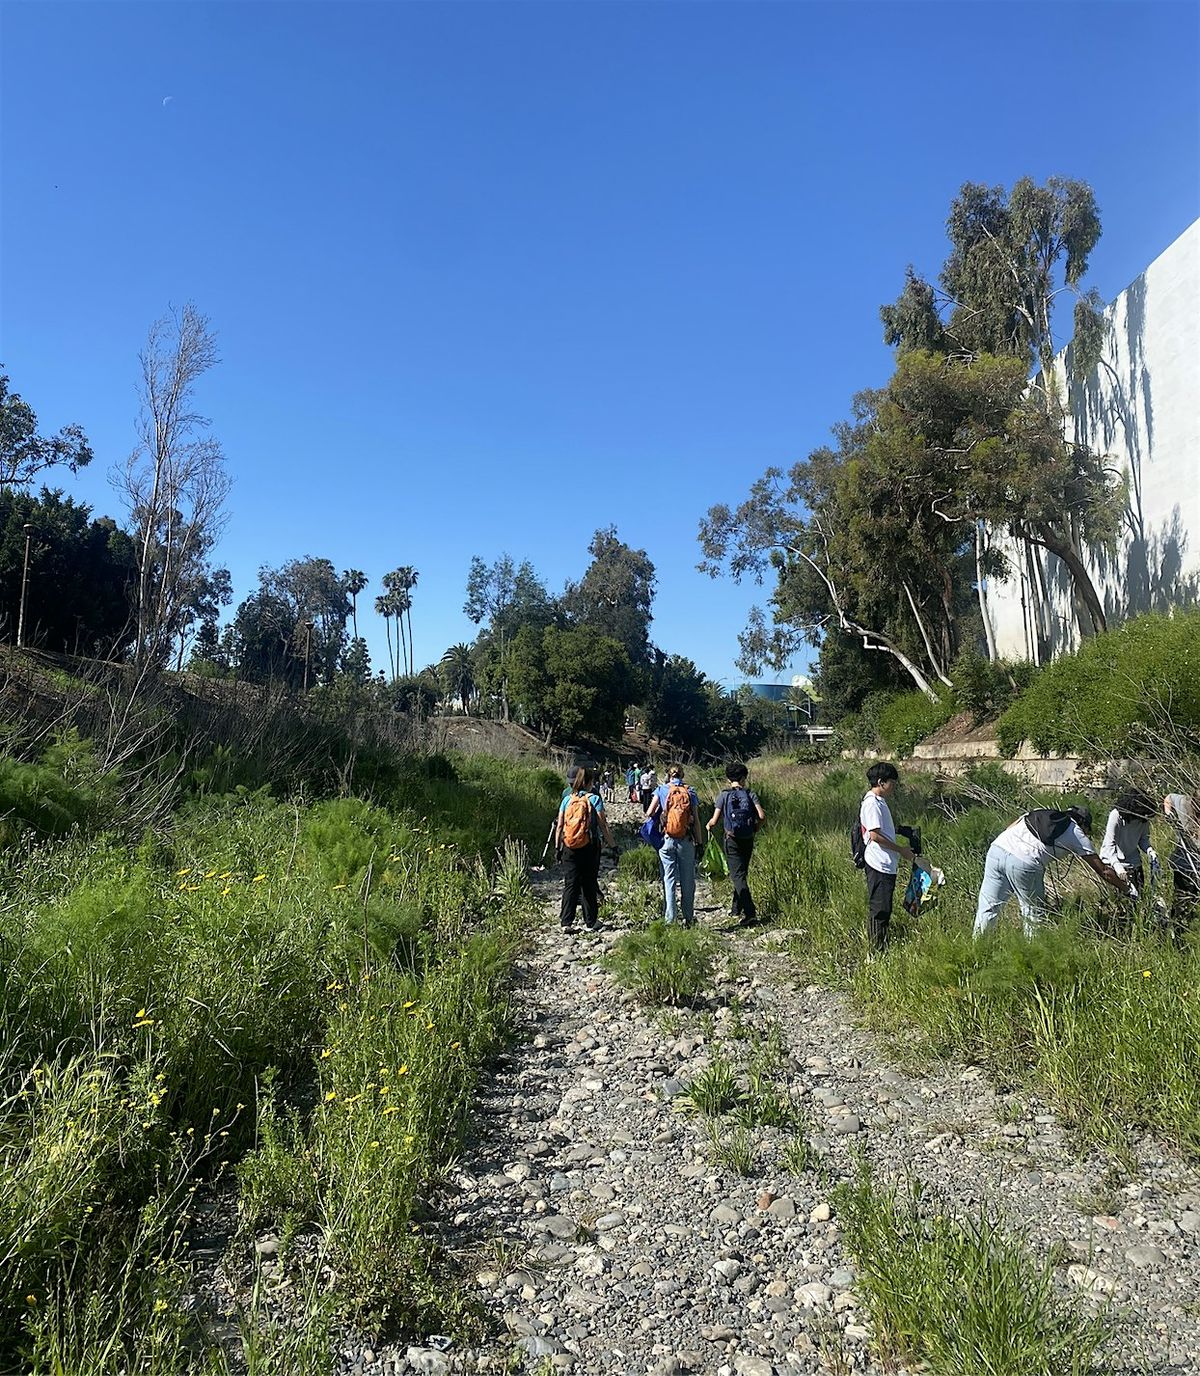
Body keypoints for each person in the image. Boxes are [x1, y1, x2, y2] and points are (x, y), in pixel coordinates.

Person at [973, 803, 1130, 938]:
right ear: (1083, 824)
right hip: (1025, 862)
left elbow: (1009, 828)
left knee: (988, 906)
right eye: (1087, 830)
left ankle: (978, 952)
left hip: (997, 849)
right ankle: (1033, 961)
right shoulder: (1075, 831)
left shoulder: (1040, 811)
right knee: (1033, 914)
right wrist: (1126, 889)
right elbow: (1103, 871)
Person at [859, 762, 929, 951]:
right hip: (878, 862)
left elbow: (881, 828)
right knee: (880, 908)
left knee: (885, 906)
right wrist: (901, 849)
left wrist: (900, 830)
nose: (894, 786)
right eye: (892, 782)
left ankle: (881, 944)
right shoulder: (872, 803)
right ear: (881, 782)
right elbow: (874, 835)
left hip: (886, 862)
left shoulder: (879, 802)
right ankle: (875, 951)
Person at [555, 767, 614, 932]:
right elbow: (603, 825)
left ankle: (566, 922)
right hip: (589, 846)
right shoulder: (594, 799)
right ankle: (591, 922)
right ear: (590, 782)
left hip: (569, 846)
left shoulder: (567, 799)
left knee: (570, 884)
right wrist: (613, 846)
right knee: (588, 883)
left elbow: (560, 825)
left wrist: (557, 847)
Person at [707, 760, 766, 925]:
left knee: (737, 875)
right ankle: (736, 908)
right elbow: (761, 816)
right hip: (748, 837)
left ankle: (750, 912)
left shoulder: (724, 795)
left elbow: (714, 820)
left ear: (728, 779)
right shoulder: (750, 794)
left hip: (731, 839)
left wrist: (708, 826)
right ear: (744, 777)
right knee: (741, 873)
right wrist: (755, 829)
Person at [646, 764, 705, 926]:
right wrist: (699, 843)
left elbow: (649, 812)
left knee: (669, 878)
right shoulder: (690, 791)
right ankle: (688, 918)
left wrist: (661, 815)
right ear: (682, 774)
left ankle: (670, 919)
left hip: (667, 839)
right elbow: (697, 821)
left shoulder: (661, 790)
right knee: (688, 880)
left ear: (668, 775)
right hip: (686, 840)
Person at [1099, 789, 1156, 894]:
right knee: (1119, 900)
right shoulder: (1116, 815)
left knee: (1138, 896)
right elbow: (1109, 843)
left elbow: (1143, 840)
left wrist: (1150, 851)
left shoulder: (1143, 819)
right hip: (1112, 862)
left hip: (1133, 863)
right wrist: (1117, 866)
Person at [1164, 790, 1200, 928]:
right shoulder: (1184, 803)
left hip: (1197, 866)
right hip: (1184, 865)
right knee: (1182, 901)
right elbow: (1169, 798)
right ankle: (1176, 929)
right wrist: (1169, 814)